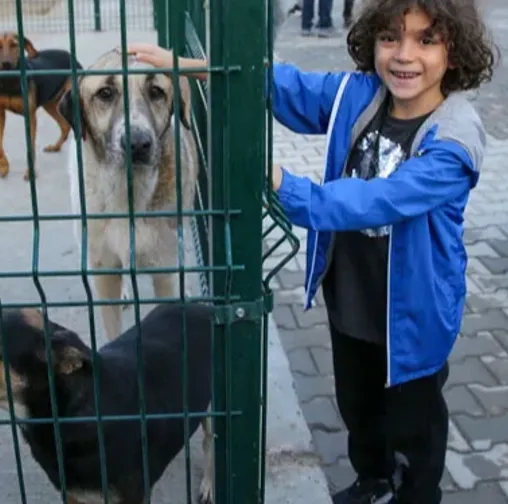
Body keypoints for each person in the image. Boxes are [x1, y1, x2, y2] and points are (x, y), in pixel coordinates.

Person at [126, 0, 498, 503]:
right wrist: (201, 69)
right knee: (359, 410)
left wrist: (287, 186)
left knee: (413, 427)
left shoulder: (454, 137)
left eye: (426, 40)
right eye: (390, 37)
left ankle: (413, 494)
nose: (404, 55)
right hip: (351, 304)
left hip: (413, 318)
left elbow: (382, 199)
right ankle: (372, 482)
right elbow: (291, 87)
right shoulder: (362, 93)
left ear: (454, 51)